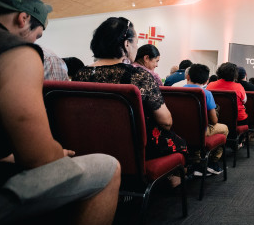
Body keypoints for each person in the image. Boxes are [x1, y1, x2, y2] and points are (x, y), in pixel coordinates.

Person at [0, 0, 145, 225]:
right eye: (38, 33)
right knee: (107, 167)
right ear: (22, 18)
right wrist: (54, 152)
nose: (36, 40)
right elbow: (36, 157)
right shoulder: (13, 51)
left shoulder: (82, 74)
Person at [73, 17, 188, 169]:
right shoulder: (138, 76)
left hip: (89, 145)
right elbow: (166, 122)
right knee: (180, 143)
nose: (136, 47)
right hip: (131, 149)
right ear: (126, 44)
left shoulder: (80, 74)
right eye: (136, 43)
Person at [183, 64, 228, 175]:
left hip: (180, 130)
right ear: (206, 81)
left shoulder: (177, 90)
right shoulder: (206, 94)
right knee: (224, 128)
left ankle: (196, 161)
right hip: (201, 131)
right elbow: (214, 120)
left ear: (188, 77)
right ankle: (213, 162)